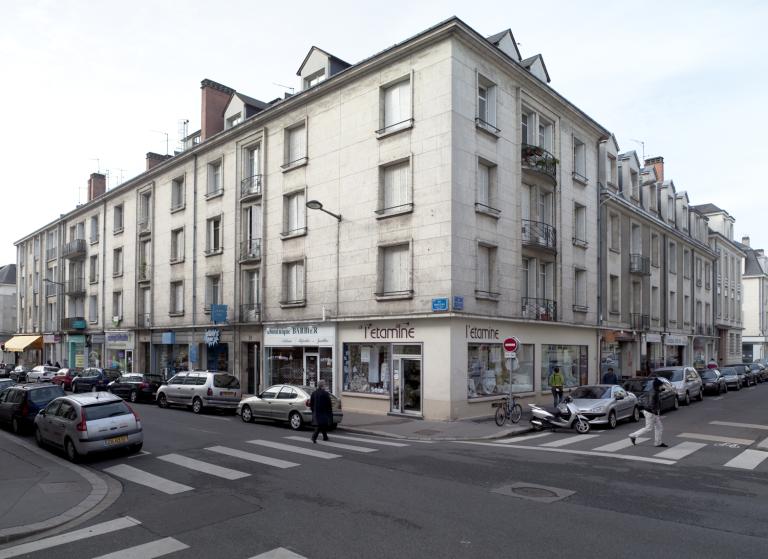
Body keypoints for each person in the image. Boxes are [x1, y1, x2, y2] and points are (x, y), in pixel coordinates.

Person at [629, 378, 668, 448]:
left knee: (659, 427)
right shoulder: (653, 392)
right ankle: (633, 435)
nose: (662, 386)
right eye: (661, 385)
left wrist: (662, 389)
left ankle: (658, 443)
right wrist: (655, 412)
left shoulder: (656, 390)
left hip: (652, 412)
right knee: (649, 428)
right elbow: (651, 404)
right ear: (657, 386)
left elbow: (659, 392)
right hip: (650, 412)